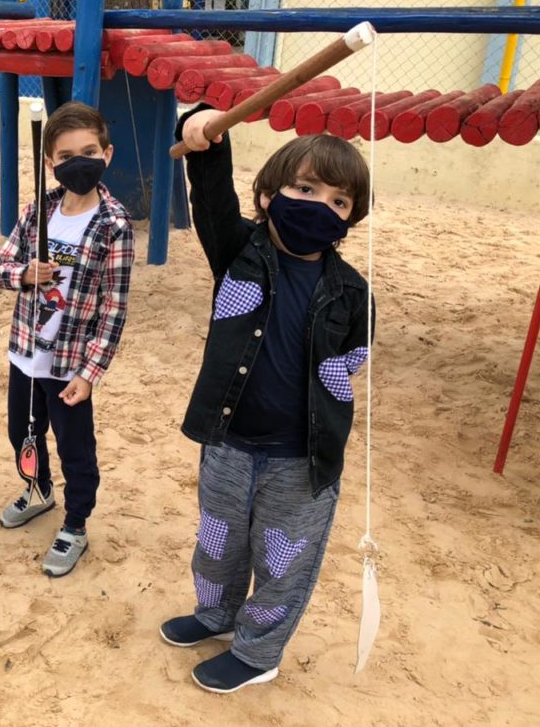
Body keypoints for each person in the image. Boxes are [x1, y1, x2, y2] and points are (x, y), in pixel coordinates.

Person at [159, 108, 373, 693]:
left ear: (351, 218)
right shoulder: (239, 251)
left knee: (283, 561)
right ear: (268, 195)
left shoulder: (353, 290)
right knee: (219, 541)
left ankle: (258, 652)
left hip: (300, 461)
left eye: (338, 201)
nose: (318, 206)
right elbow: (211, 199)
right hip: (228, 443)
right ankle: (215, 614)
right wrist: (203, 134)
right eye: (304, 188)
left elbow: (354, 356)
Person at [0, 101, 135, 577]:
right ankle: (38, 490)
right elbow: (1, 267)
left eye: (89, 151)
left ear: (107, 154)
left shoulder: (114, 225)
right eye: (67, 155)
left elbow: (113, 308)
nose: (80, 161)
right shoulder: (40, 210)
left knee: (77, 447)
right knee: (23, 433)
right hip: (26, 353)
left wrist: (91, 373)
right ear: (50, 163)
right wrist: (25, 274)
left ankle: (75, 522)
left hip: (70, 363)